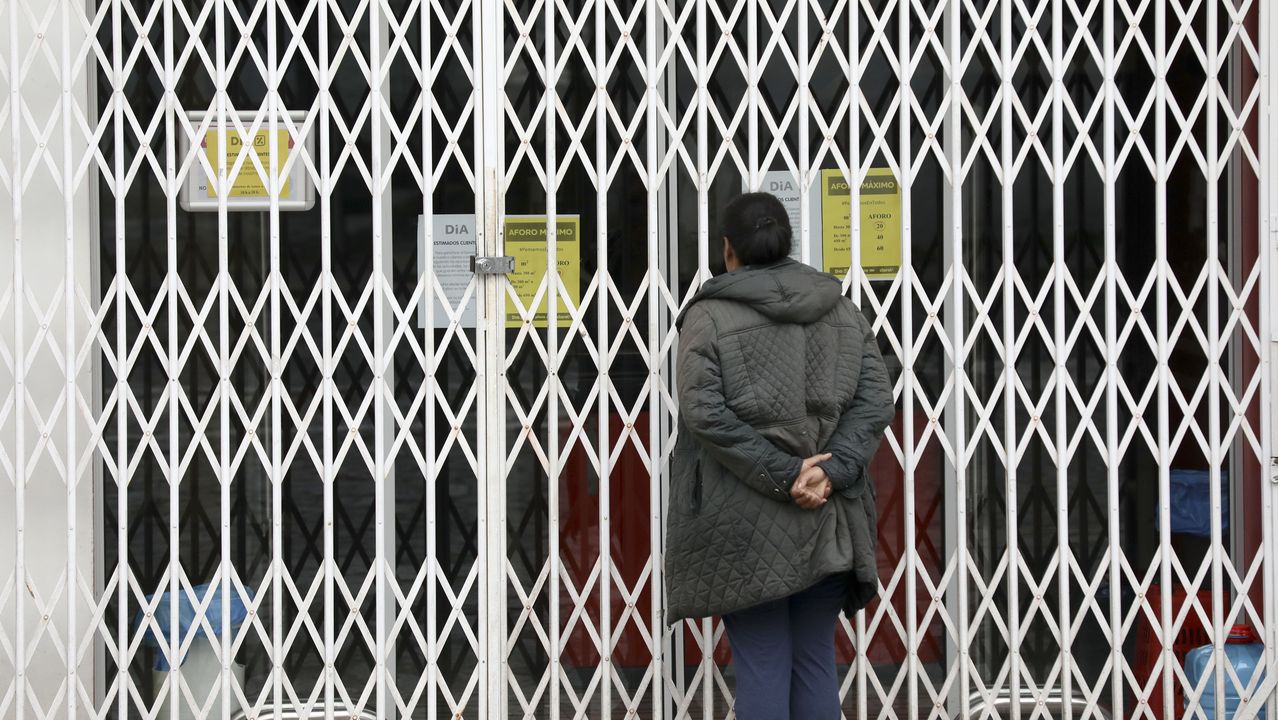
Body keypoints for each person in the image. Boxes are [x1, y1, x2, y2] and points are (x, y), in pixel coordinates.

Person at [665, 192, 895, 719]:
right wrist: (830, 473)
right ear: (789, 242)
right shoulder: (841, 308)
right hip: (830, 518)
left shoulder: (710, 317)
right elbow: (876, 399)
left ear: (728, 251)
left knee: (763, 663)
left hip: (745, 525)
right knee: (814, 659)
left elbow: (704, 413)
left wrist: (783, 473)